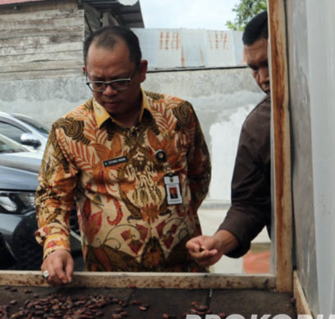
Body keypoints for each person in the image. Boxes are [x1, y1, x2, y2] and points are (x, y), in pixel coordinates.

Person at [35, 25, 212, 285]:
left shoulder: (178, 115)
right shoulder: (69, 131)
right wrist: (56, 245)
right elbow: (52, 198)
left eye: (119, 81)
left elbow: (199, 176)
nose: (108, 91)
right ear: (86, 74)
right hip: (110, 281)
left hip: (184, 273)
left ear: (141, 71)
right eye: (97, 82)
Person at [186, 11, 271, 266]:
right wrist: (218, 242)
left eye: (270, 63)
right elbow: (249, 205)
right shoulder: (259, 127)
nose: (263, 78)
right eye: (254, 69)